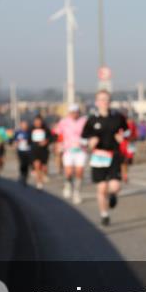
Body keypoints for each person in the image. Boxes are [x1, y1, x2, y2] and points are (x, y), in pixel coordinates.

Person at [81, 89, 128, 226]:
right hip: (98, 156)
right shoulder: (92, 120)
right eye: (101, 99)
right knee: (101, 188)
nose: (104, 102)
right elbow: (83, 138)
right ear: (96, 102)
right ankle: (104, 214)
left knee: (115, 186)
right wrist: (90, 142)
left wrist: (123, 137)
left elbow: (128, 131)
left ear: (110, 101)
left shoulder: (117, 117)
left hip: (113, 155)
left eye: (106, 99)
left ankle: (113, 196)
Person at [55, 104, 88, 203]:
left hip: (81, 150)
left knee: (79, 172)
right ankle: (68, 184)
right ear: (69, 113)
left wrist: (87, 141)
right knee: (69, 172)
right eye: (72, 112)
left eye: (76, 112)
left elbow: (89, 133)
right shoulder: (63, 122)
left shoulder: (84, 121)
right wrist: (59, 145)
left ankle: (77, 192)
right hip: (68, 150)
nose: (74, 114)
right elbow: (59, 134)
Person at [29, 115, 53, 190]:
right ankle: (38, 182)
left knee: (43, 168)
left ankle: (43, 176)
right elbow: (28, 139)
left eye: (39, 121)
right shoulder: (31, 129)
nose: (38, 123)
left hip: (44, 151)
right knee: (37, 165)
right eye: (36, 121)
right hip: (34, 150)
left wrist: (46, 141)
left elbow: (51, 137)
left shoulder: (46, 129)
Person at [11, 120, 34, 185]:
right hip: (20, 151)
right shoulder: (18, 132)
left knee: (29, 163)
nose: (25, 126)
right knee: (22, 163)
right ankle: (23, 176)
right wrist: (15, 144)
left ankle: (27, 174)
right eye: (23, 125)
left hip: (29, 151)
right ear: (21, 125)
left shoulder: (30, 132)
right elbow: (14, 140)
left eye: (26, 125)